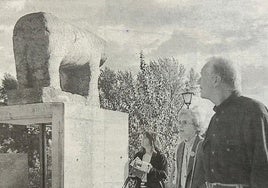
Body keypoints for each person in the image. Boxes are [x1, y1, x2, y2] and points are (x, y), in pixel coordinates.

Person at [199, 57, 268, 188]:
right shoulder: (215, 119)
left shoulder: (253, 112)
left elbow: (263, 172)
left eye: (201, 76)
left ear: (215, 80)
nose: (198, 81)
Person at [170, 108, 206, 188]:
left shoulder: (203, 146)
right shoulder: (180, 147)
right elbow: (179, 178)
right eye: (179, 122)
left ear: (195, 126)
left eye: (185, 122)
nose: (180, 126)